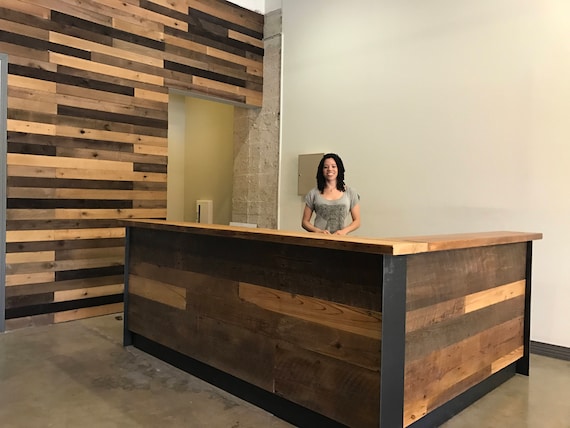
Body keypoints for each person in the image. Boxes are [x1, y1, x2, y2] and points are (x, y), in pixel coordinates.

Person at [302, 153, 361, 235]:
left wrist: (344, 231)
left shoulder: (350, 192)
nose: (330, 169)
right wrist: (318, 231)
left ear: (339, 169)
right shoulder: (313, 193)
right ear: (321, 170)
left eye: (333, 166)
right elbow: (305, 222)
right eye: (326, 167)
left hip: (341, 242)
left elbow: (357, 221)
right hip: (318, 241)